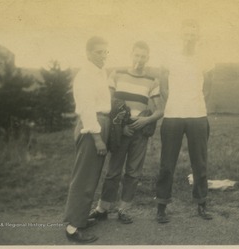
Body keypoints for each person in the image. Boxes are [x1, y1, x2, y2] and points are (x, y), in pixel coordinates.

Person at [88, 41, 164, 224]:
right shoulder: (116, 74)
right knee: (113, 171)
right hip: (119, 130)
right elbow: (108, 102)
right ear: (131, 54)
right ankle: (102, 208)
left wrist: (145, 120)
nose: (139, 59)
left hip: (140, 132)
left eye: (143, 56)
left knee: (133, 172)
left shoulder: (153, 81)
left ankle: (124, 210)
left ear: (148, 58)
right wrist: (121, 126)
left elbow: (160, 110)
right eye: (136, 55)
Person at [155, 19, 213, 223]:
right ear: (181, 35)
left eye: (193, 34)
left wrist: (197, 103)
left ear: (197, 37)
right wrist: (173, 101)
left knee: (200, 163)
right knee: (167, 164)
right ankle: (161, 206)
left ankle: (202, 203)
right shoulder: (170, 56)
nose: (189, 38)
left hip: (197, 115)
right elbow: (162, 85)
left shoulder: (204, 57)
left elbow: (209, 86)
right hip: (173, 116)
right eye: (186, 34)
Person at [63, 36, 111, 243]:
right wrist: (98, 138)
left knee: (91, 177)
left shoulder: (100, 73)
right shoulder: (85, 76)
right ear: (88, 53)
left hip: (100, 124)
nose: (103, 56)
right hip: (92, 129)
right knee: (84, 178)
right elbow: (87, 109)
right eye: (99, 52)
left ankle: (80, 218)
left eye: (105, 52)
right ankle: (73, 227)